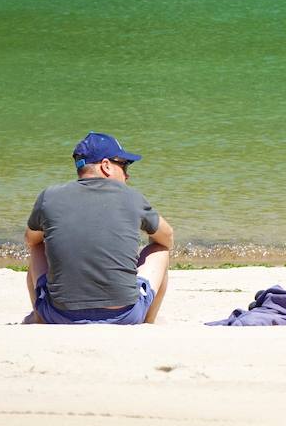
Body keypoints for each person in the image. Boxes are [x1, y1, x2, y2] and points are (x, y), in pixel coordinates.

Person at [23, 132, 174, 324]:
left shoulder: (49, 196)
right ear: (106, 165)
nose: (127, 174)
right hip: (125, 315)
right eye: (124, 165)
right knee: (160, 249)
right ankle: (147, 321)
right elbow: (167, 236)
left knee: (38, 245)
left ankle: (39, 316)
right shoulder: (131, 196)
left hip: (59, 315)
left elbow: (30, 239)